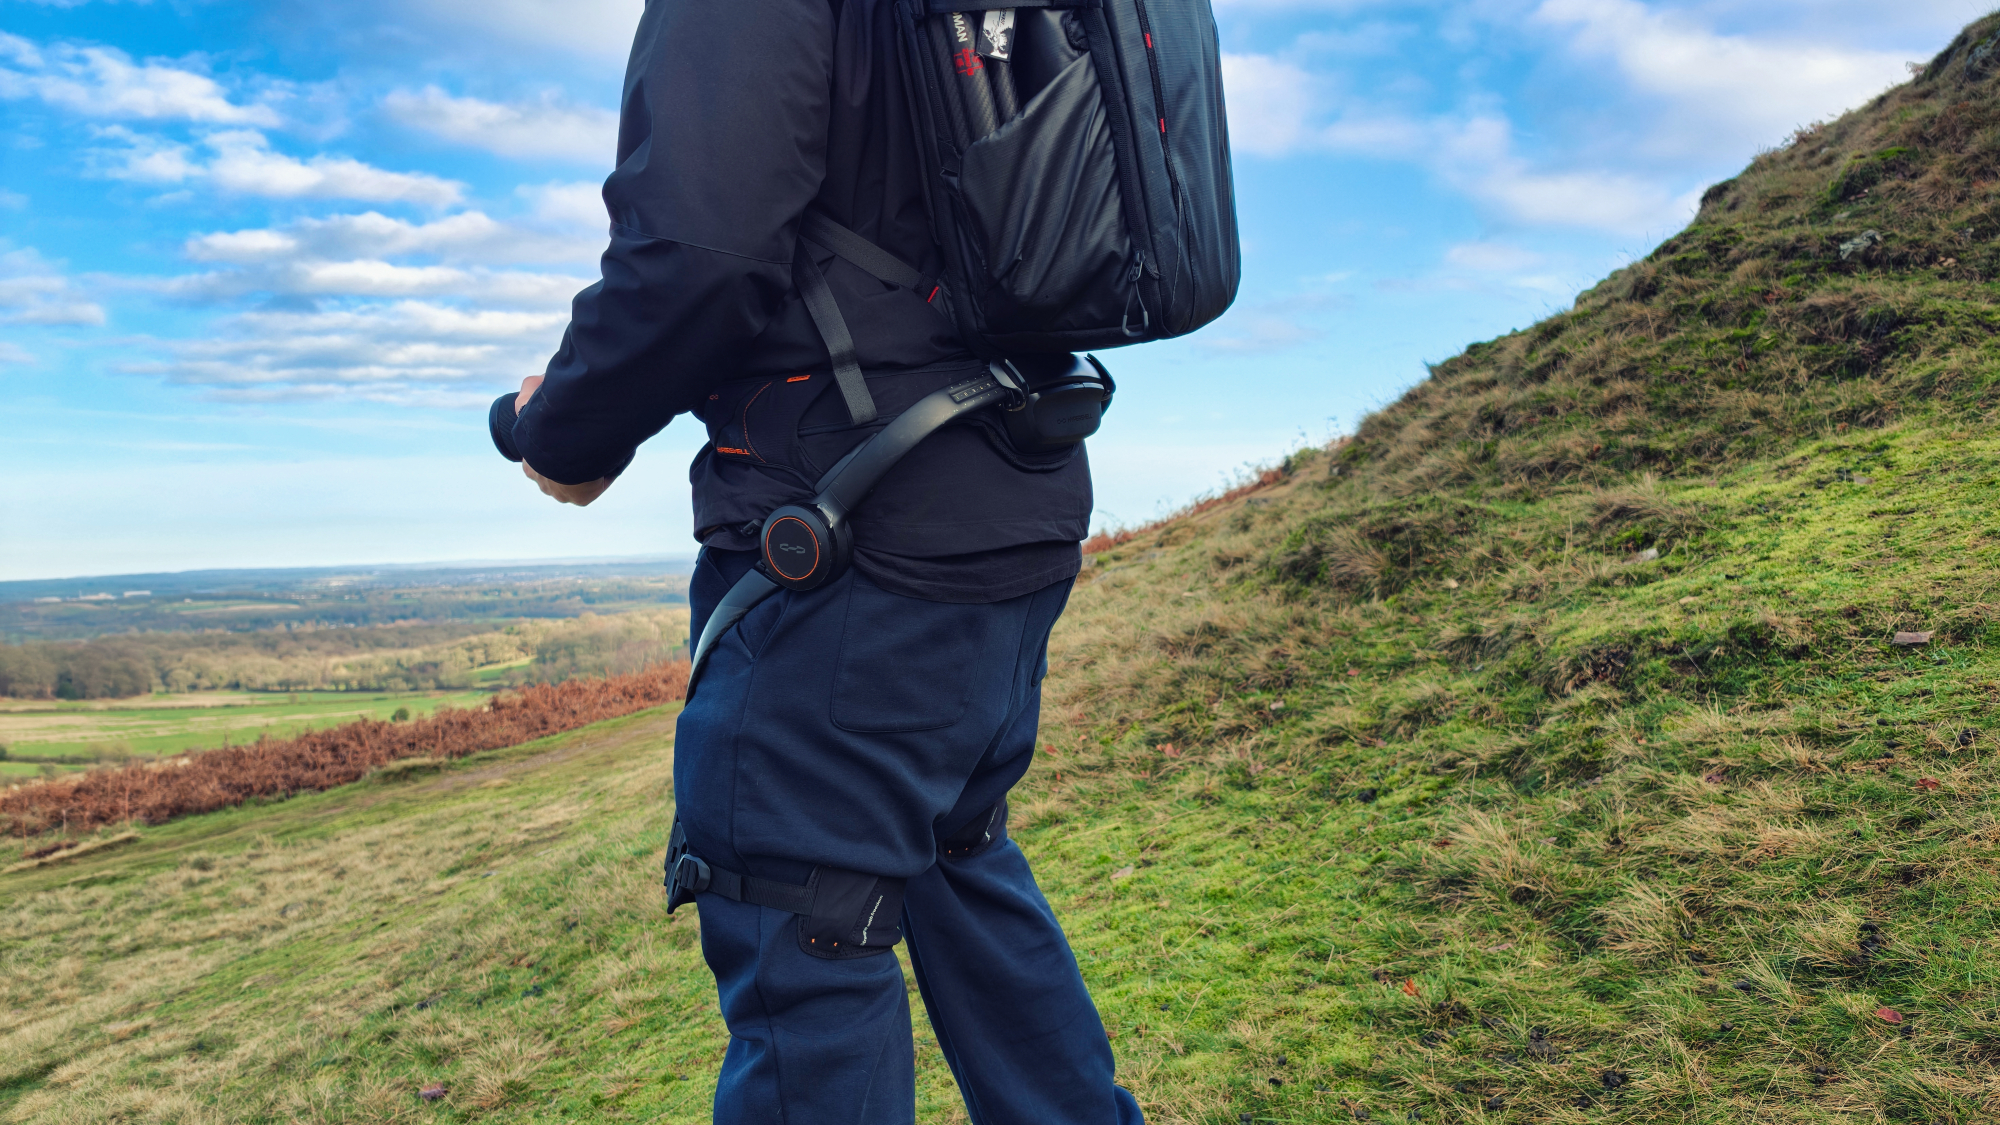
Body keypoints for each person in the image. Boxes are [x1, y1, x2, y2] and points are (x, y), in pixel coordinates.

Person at [502, 0, 1146, 1121]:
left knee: (796, 914)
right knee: (955, 854)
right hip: (1013, 485)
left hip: (849, 527)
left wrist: (561, 428)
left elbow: (696, 252)